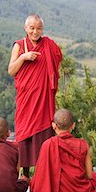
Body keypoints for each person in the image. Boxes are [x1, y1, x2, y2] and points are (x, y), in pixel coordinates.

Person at [8, 14, 63, 178]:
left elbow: (57, 60)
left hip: (44, 97)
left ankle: (43, 173)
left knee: (44, 132)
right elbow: (11, 70)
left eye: (38, 28)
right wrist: (24, 57)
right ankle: (24, 173)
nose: (35, 31)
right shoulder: (19, 46)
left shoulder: (49, 45)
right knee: (24, 132)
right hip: (26, 97)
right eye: (32, 28)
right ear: (26, 28)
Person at [27, 109, 96, 192]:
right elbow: (89, 175)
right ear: (73, 125)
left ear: (53, 125)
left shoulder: (47, 145)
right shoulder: (82, 144)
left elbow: (40, 177)